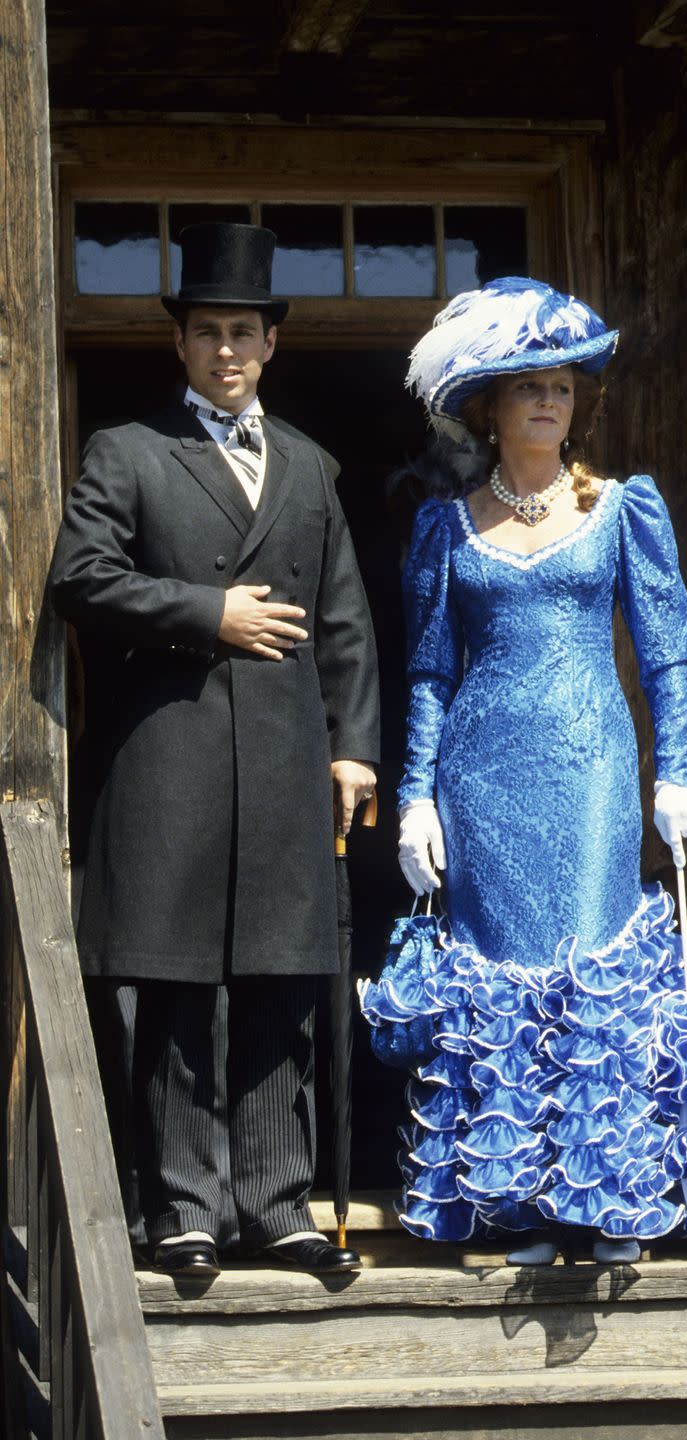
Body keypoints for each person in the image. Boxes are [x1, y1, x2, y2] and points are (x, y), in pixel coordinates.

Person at [361, 276, 687, 1265]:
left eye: (565, 386)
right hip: (482, 776)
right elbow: (426, 673)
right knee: (504, 980)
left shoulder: (625, 510)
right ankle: (527, 1211)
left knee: (592, 969)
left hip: (591, 766)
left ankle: (614, 1198)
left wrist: (675, 770)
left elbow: (667, 649)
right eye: (528, 386)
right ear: (490, 408)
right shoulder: (442, 529)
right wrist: (415, 797)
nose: (551, 401)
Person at [50, 223, 379, 1278]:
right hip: (171, 761)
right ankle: (184, 1211)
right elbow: (80, 579)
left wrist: (354, 749)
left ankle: (275, 1205)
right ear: (181, 345)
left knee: (284, 980)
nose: (226, 351)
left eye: (244, 332)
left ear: (272, 344)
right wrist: (210, 611)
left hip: (287, 763)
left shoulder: (313, 468)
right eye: (207, 333)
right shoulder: (129, 451)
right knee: (181, 984)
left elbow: (345, 622)